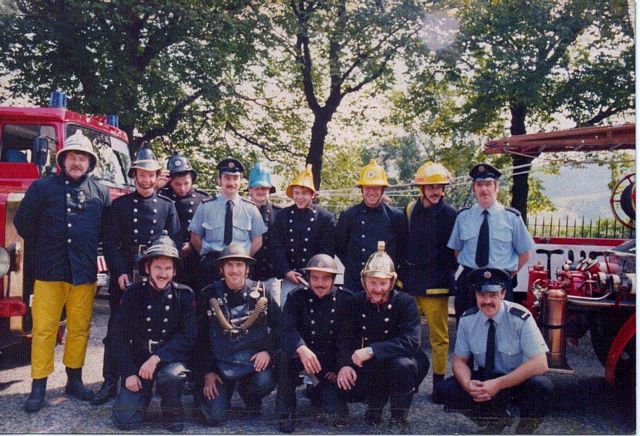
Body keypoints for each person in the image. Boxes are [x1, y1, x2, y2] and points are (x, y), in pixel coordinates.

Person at [15, 131, 110, 413]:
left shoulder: (100, 192)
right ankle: (38, 385)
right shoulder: (42, 188)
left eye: (82, 158)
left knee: (79, 328)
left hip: (83, 272)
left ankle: (74, 379)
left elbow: (106, 232)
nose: (76, 162)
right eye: (72, 157)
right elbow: (23, 223)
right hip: (49, 269)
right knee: (44, 330)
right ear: (63, 160)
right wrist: (45, 246)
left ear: (89, 162)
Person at [93, 143, 180, 406]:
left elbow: (174, 240)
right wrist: (118, 270)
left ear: (157, 176)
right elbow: (110, 242)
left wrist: (166, 273)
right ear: (134, 176)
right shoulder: (120, 205)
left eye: (151, 174)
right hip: (128, 269)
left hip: (156, 270)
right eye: (141, 174)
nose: (146, 178)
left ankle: (155, 377)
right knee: (116, 326)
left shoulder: (166, 206)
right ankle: (110, 380)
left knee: (156, 323)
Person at [435, 267, 553, 433]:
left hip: (516, 381)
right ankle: (496, 420)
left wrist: (498, 384)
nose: (487, 301)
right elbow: (459, 361)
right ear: (476, 294)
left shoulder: (520, 317)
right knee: (445, 389)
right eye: (482, 295)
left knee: (542, 385)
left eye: (493, 295)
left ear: (503, 294)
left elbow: (540, 364)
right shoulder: (468, 319)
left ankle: (524, 430)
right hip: (487, 378)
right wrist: (468, 385)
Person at [336, 242, 430, 428]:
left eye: (382, 283)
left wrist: (372, 350)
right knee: (343, 390)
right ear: (364, 281)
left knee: (403, 365)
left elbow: (411, 341)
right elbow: (344, 338)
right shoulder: (354, 302)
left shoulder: (405, 302)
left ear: (392, 282)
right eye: (372, 282)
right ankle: (374, 407)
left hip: (400, 361)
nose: (377, 289)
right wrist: (345, 364)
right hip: (369, 364)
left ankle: (398, 416)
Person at [111, 234, 196, 433]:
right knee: (125, 422)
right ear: (147, 268)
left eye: (168, 268)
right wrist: (128, 373)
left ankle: (171, 410)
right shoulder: (133, 294)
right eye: (158, 267)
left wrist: (157, 357)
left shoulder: (184, 295)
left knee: (171, 377)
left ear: (175, 271)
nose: (163, 273)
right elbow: (118, 336)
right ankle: (144, 394)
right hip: (139, 361)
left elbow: (188, 336)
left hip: (170, 360)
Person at [194, 245, 281, 426]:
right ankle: (207, 396)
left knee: (264, 380)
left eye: (239, 265)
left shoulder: (262, 292)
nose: (235, 270)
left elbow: (282, 327)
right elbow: (199, 338)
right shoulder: (208, 294)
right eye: (230, 265)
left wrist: (268, 352)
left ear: (247, 268)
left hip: (250, 363)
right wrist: (207, 372)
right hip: (219, 366)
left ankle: (250, 396)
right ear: (221, 269)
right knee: (214, 417)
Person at [276, 254, 353, 433]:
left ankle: (316, 390)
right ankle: (286, 411)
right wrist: (301, 347)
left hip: (327, 364)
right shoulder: (297, 297)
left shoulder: (345, 300)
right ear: (308, 278)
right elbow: (286, 328)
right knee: (283, 354)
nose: (320, 283)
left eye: (325, 278)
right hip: (300, 357)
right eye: (315, 278)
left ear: (334, 279)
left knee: (337, 418)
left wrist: (342, 366)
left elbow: (346, 338)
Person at [447, 162, 535, 319]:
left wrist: (507, 275)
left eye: (488, 184)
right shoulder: (463, 217)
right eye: (479, 184)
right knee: (466, 328)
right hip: (469, 283)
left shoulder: (512, 218)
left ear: (496, 187)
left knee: (500, 331)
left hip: (500, 283)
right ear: (474, 188)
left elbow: (525, 254)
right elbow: (457, 250)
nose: (484, 189)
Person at [401, 162, 457, 402]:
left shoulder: (451, 214)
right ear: (421, 189)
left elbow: (455, 252)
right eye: (430, 187)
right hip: (411, 283)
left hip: (436, 285)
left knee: (439, 338)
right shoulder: (410, 209)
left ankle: (439, 386)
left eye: (439, 187)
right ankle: (408, 381)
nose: (436, 191)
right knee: (409, 336)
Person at [189, 157, 266, 288]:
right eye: (227, 178)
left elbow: (257, 241)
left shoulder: (250, 208)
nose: (231, 182)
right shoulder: (205, 206)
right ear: (219, 180)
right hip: (211, 266)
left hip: (239, 266)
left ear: (241, 181)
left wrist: (242, 258)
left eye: (235, 178)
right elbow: (195, 238)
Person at [335, 160, 406, 293]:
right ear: (361, 189)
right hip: (355, 282)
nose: (371, 192)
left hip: (384, 284)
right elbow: (340, 248)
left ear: (383, 189)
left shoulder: (396, 216)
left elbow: (402, 249)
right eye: (367, 188)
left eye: (376, 188)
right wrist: (356, 266)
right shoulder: (348, 215)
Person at [272, 164, 335, 307]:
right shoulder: (283, 216)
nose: (300, 197)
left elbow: (327, 250)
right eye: (297, 193)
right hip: (290, 277)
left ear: (312, 194)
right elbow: (277, 247)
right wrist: (287, 271)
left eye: (305, 193)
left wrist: (316, 275)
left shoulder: (325, 218)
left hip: (317, 278)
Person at [160, 151, 211, 290]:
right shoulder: (161, 197)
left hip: (194, 256)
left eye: (186, 183)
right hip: (167, 253)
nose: (182, 188)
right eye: (177, 184)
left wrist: (192, 245)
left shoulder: (203, 199)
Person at [247, 162, 281, 283]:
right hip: (246, 275)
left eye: (264, 188)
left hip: (271, 276)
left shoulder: (279, 214)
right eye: (256, 188)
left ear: (269, 190)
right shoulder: (240, 212)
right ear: (250, 190)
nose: (260, 191)